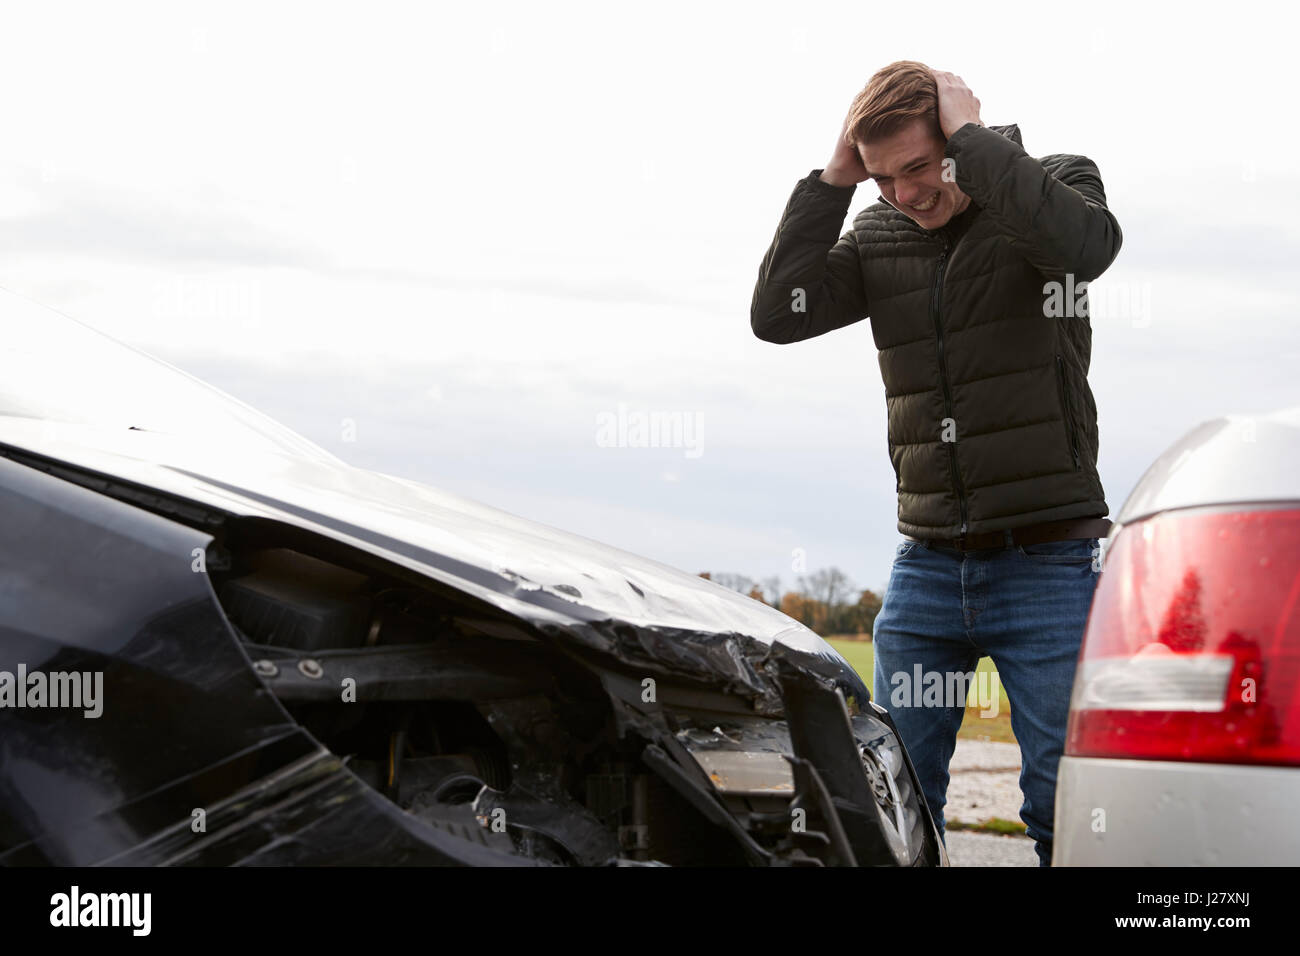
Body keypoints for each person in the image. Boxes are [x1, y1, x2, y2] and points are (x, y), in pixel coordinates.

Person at [749, 60, 1122, 866]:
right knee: (894, 804)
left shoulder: (1053, 184)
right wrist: (832, 183)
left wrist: (975, 144)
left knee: (1067, 801)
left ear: (959, 136)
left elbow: (1084, 248)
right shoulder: (878, 233)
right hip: (925, 569)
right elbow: (780, 314)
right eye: (883, 177)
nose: (905, 194)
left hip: (1051, 562)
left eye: (919, 167)